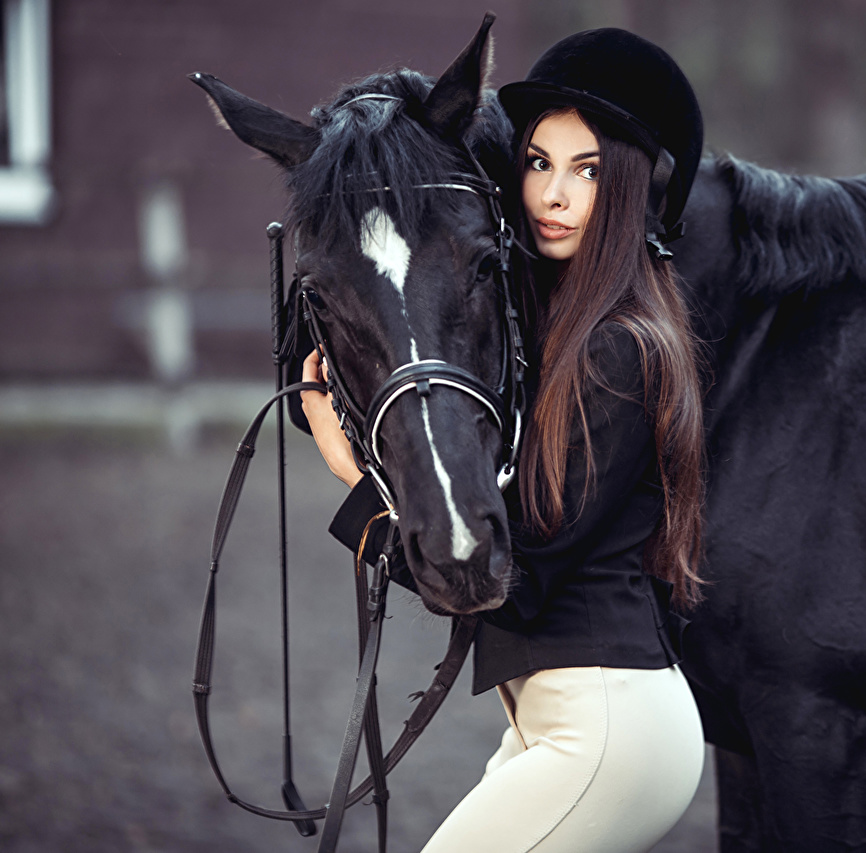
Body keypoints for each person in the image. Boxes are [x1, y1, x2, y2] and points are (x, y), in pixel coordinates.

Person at [300, 27, 708, 853]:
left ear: (630, 189)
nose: (552, 194)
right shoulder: (557, 329)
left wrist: (349, 470)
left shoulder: (622, 349)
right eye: (538, 162)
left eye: (587, 171)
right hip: (556, 724)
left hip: (608, 729)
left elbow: (513, 580)